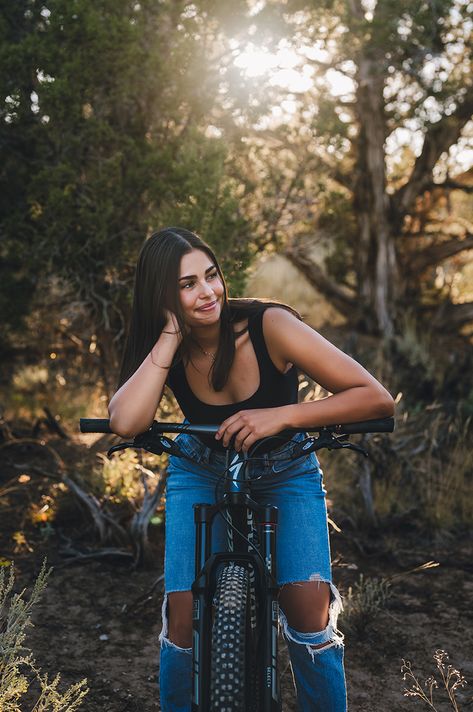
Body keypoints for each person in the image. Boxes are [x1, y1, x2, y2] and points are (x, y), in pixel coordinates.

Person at [108, 227, 395, 712]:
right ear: (162, 297)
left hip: (286, 471)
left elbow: (377, 399)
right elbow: (125, 420)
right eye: (187, 285)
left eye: (211, 276)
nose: (208, 292)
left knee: (309, 615)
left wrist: (283, 415)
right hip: (199, 469)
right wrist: (171, 333)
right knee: (183, 619)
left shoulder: (270, 326)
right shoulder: (166, 346)